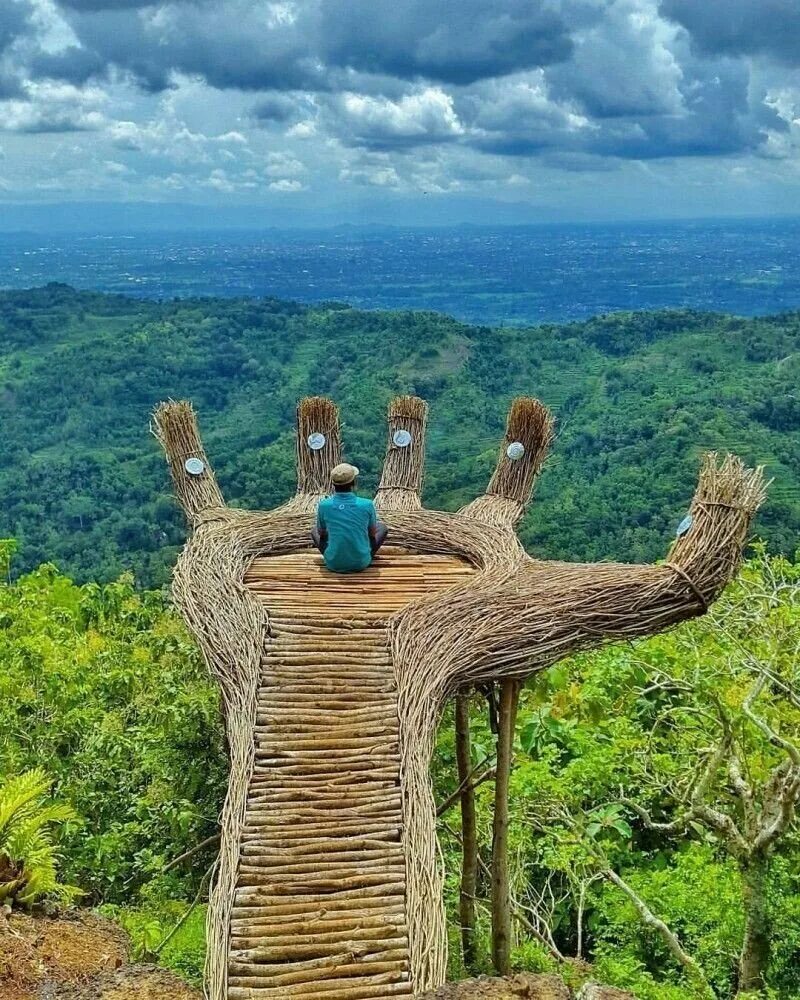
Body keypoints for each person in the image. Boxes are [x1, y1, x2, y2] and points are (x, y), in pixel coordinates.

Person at [312, 463, 389, 573]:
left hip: (333, 563)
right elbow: (372, 534)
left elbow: (321, 533)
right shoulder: (367, 504)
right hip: (361, 563)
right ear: (353, 482)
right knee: (382, 527)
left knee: (314, 530)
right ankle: (362, 554)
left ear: (333, 484)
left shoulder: (324, 505)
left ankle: (335, 555)